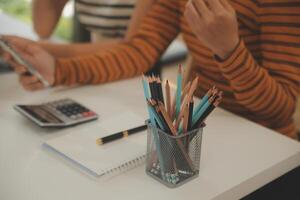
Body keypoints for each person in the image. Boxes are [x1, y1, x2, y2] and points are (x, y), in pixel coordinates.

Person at [3, 0, 300, 140]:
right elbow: (138, 51)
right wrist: (59, 70)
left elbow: (281, 109)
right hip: (200, 128)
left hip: (264, 141)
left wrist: (229, 49)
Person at [32, 0, 153, 41]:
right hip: (95, 64)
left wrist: (49, 52)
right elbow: (43, 29)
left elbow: (134, 49)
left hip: (137, 72)